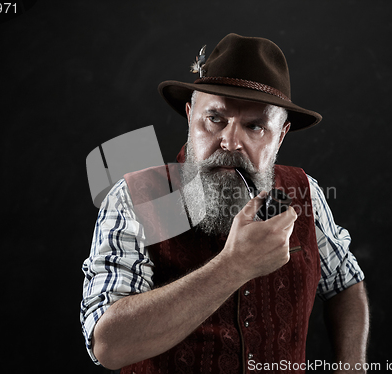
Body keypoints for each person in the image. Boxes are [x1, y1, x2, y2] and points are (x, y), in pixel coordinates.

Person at [80, 33, 369, 373]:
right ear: (190, 115)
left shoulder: (305, 194)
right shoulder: (135, 199)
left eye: (255, 126)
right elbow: (108, 345)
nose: (231, 142)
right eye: (216, 119)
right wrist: (234, 266)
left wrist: (352, 367)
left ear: (281, 136)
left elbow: (345, 284)